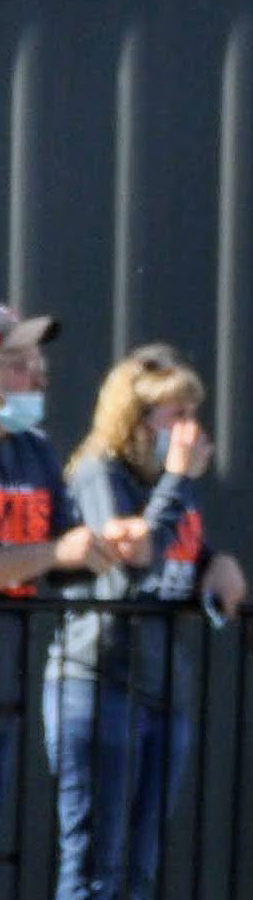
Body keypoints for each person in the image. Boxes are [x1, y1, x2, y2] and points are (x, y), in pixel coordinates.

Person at [44, 344, 248, 900]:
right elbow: (130, 552)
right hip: (97, 681)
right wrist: (180, 486)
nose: (188, 425)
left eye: (194, 411)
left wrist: (216, 561)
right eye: (175, 411)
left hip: (162, 687)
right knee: (94, 858)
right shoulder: (98, 473)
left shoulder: (172, 483)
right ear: (138, 415)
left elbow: (178, 556)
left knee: (135, 864)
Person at [1, 305, 120, 820]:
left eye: (39, 363)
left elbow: (64, 551)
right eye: (18, 362)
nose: (38, 376)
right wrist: (55, 552)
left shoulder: (35, 450)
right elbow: (52, 551)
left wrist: (105, 545)